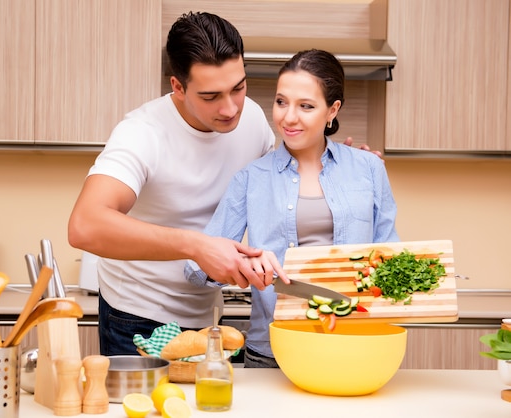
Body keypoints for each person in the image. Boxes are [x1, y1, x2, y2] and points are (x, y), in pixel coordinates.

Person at [68, 12, 377, 356]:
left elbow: (276, 185)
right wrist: (196, 245)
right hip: (137, 316)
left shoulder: (253, 122)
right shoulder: (142, 134)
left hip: (208, 314)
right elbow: (85, 226)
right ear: (178, 87)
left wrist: (339, 165)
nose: (230, 109)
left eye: (238, 88)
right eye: (211, 96)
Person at [184, 49, 399, 368]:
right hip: (273, 353)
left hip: (352, 347)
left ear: (332, 110)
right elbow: (197, 269)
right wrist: (242, 262)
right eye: (281, 102)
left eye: (306, 106)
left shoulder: (368, 169)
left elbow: (389, 256)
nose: (288, 117)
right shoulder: (251, 178)